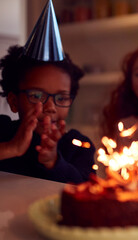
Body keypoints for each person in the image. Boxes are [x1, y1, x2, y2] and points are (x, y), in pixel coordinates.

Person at [0, 45, 95, 183]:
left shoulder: (78, 145)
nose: (50, 107)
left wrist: (54, 162)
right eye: (37, 96)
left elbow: (87, 189)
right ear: (14, 102)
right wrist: (12, 148)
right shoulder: (3, 130)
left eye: (61, 98)